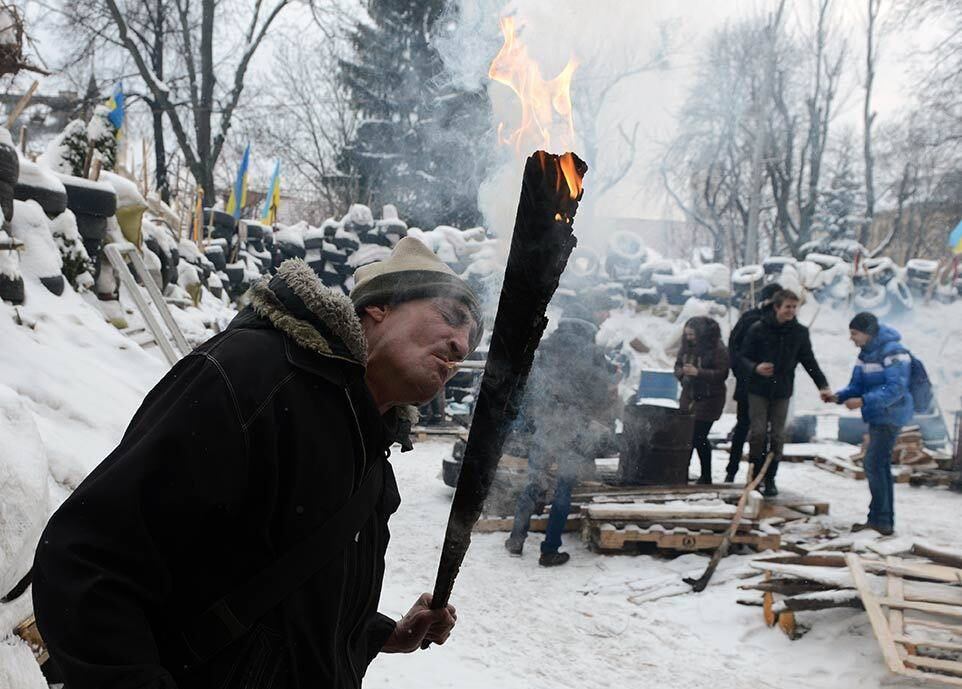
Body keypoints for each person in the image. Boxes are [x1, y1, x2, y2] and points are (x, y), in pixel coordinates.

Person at [32, 237, 482, 688]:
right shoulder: (253, 377)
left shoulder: (373, 457)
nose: (462, 345)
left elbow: (289, 607)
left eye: (472, 338)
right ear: (378, 307)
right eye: (451, 317)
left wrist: (382, 634)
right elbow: (85, 562)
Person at [504, 301, 616, 567]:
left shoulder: (546, 346)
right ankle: (549, 550)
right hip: (574, 427)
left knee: (535, 482)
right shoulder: (593, 352)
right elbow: (600, 394)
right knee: (563, 488)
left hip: (546, 423)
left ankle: (516, 539)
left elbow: (530, 386)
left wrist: (534, 419)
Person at [737, 289, 833, 496]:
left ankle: (771, 477)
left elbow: (809, 361)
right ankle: (754, 475)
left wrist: (822, 385)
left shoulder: (799, 332)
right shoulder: (758, 328)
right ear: (776, 307)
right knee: (759, 432)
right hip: (758, 389)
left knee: (778, 435)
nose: (791, 311)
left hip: (782, 389)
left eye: (794, 307)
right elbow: (742, 357)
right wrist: (756, 367)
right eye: (787, 307)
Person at [831, 312, 913, 536]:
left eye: (854, 333)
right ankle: (878, 518)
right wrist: (838, 396)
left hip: (891, 415)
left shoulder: (893, 351)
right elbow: (856, 385)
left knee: (874, 463)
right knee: (877, 465)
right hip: (878, 415)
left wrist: (864, 400)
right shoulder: (865, 354)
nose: (852, 339)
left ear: (867, 333)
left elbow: (896, 388)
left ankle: (882, 520)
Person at [725, 282, 782, 482]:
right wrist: (746, 371)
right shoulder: (750, 319)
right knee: (744, 427)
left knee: (767, 432)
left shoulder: (785, 324)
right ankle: (732, 471)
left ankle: (762, 475)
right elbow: (734, 350)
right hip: (748, 383)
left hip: (772, 387)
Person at [674, 316, 730, 484]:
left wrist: (699, 373)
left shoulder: (717, 348)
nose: (689, 338)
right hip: (689, 395)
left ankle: (706, 475)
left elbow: (722, 373)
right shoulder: (686, 347)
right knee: (686, 435)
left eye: (692, 334)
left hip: (709, 398)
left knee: (698, 436)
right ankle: (682, 472)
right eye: (687, 335)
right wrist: (682, 372)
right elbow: (677, 365)